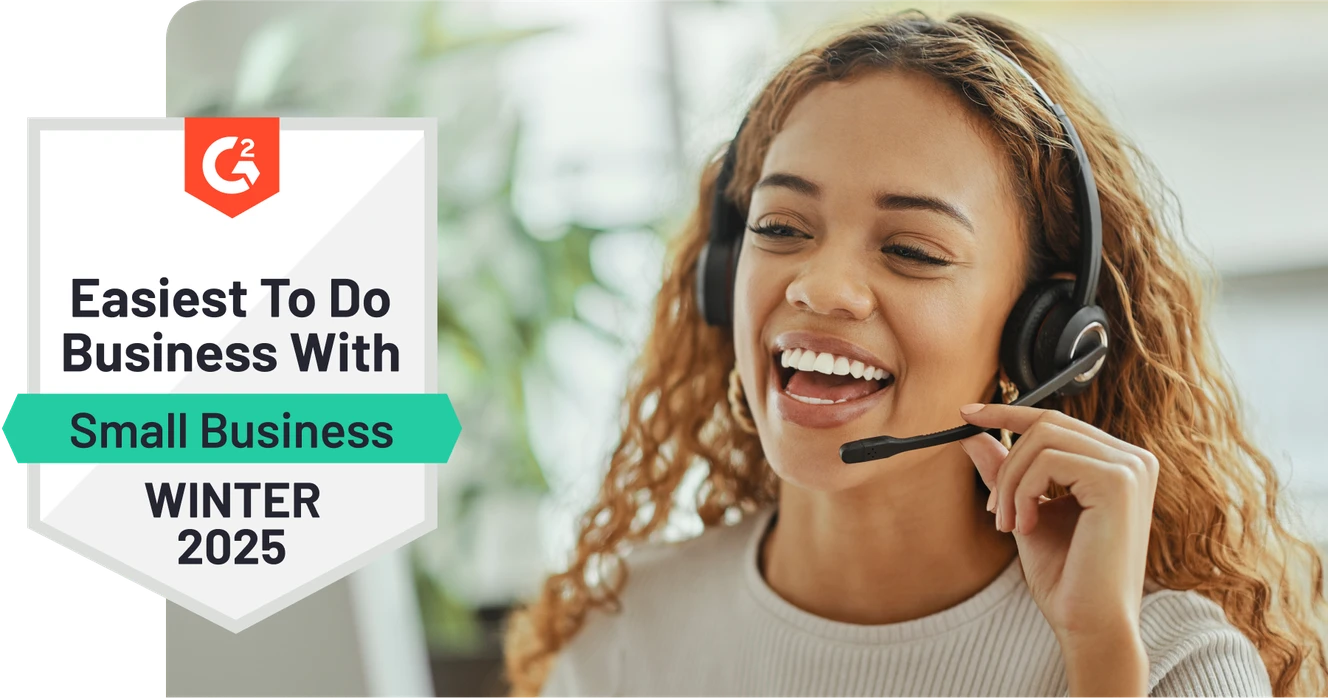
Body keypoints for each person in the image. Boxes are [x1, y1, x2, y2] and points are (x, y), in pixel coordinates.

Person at [502, 10, 1327, 698]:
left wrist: (1098, 658)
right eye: (782, 228)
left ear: (1044, 332)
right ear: (724, 274)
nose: (822, 288)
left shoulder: (1167, 659)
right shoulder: (624, 638)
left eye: (913, 250)